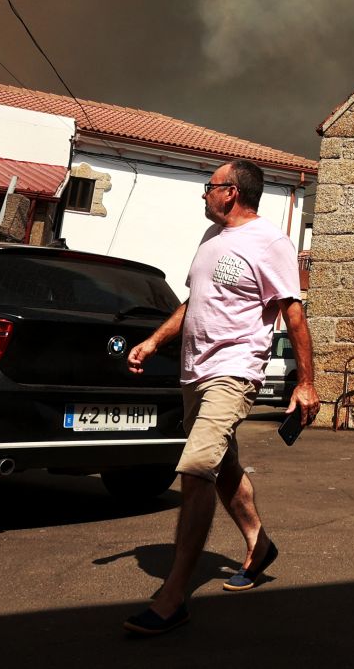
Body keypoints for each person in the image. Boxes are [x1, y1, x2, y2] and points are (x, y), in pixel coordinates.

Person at [121, 158, 317, 636]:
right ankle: (259, 543)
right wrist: (154, 341)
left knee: (196, 467)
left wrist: (306, 382)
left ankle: (173, 598)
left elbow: (292, 314)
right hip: (195, 372)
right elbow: (194, 303)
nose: (203, 193)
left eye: (209, 185)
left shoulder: (270, 242)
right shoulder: (211, 238)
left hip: (234, 371)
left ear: (231, 192)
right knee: (223, 466)